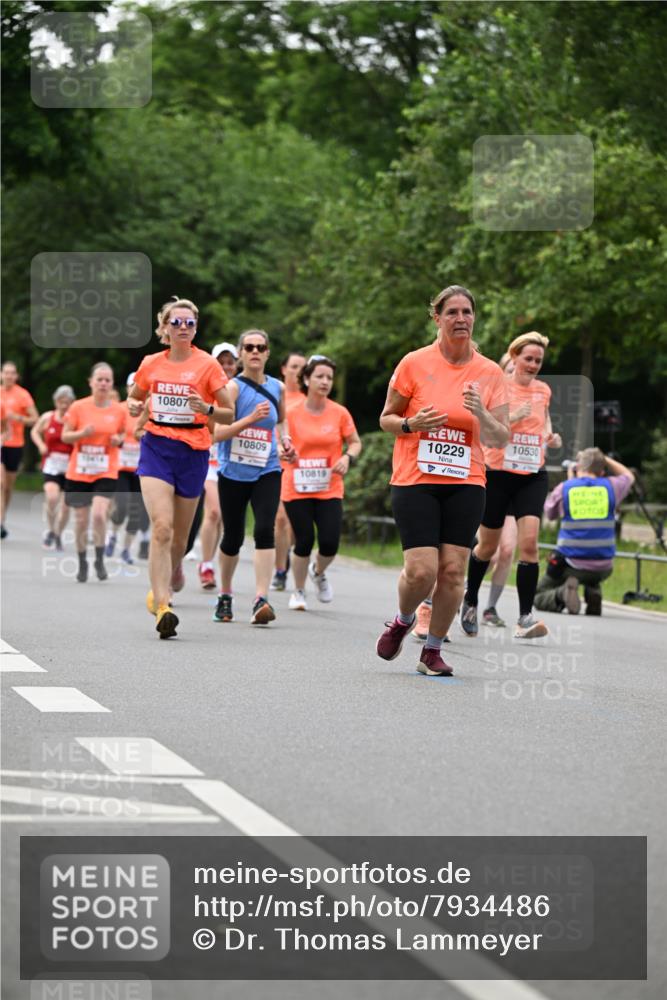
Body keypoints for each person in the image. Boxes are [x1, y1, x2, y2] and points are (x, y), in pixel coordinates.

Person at [375, 285, 509, 676]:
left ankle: (431, 651)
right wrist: (409, 423)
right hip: (415, 477)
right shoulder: (414, 363)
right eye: (452, 312)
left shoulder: (489, 372)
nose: (461, 319)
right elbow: (386, 418)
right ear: (436, 317)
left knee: (453, 571)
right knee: (422, 571)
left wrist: (482, 414)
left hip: (466, 480)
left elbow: (500, 437)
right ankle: (402, 620)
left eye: (467, 312)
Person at [128, 297, 233, 638]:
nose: (183, 327)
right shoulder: (151, 363)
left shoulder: (207, 366)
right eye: (176, 322)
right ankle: (162, 605)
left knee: (180, 538)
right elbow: (136, 395)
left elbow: (227, 412)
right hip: (157, 447)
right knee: (162, 527)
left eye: (189, 322)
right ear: (164, 328)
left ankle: (163, 582)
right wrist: (133, 404)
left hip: (194, 450)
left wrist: (207, 408)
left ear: (196, 328)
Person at [460, 331, 562, 639]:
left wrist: (550, 436)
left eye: (538, 360)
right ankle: (471, 600)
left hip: (532, 474)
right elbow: (487, 427)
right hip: (498, 472)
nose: (533, 365)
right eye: (528, 359)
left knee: (529, 544)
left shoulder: (544, 390)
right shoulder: (498, 385)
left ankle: (525, 617)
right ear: (514, 357)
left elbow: (543, 421)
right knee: (488, 546)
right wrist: (515, 417)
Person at [213, 329, 295, 625]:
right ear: (241, 353)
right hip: (233, 471)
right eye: (249, 347)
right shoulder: (232, 389)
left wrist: (285, 440)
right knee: (232, 537)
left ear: (268, 353)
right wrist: (248, 419)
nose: (255, 352)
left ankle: (261, 598)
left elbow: (282, 420)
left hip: (267, 468)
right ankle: (225, 594)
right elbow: (216, 433)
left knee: (264, 528)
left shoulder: (278, 387)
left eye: (261, 347)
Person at [281, 354, 361, 610]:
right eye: (319, 376)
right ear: (306, 379)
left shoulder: (339, 413)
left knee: (329, 542)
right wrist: (285, 452)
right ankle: (299, 591)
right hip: (297, 485)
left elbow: (356, 442)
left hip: (329, 486)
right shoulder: (291, 414)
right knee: (303, 540)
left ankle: (318, 571)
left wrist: (348, 458)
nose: (325, 381)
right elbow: (279, 445)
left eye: (329, 377)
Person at [534, 448, 635, 615]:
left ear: (578, 467)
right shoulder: (611, 486)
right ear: (602, 471)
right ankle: (593, 592)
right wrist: (604, 459)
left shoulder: (565, 488)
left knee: (538, 595)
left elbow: (550, 514)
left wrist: (570, 480)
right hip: (603, 567)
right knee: (590, 575)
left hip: (571, 564)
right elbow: (629, 476)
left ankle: (562, 594)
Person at [61, 363, 126, 582]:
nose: (103, 384)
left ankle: (98, 558)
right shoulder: (78, 407)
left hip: (105, 469)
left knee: (99, 514)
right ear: (91, 382)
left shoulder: (118, 410)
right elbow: (65, 436)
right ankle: (82, 562)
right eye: (99, 379)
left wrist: (119, 440)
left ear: (112, 384)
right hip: (79, 470)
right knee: (81, 520)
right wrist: (82, 433)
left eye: (107, 380)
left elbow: (124, 435)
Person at [195, 342, 239, 589]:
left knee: (224, 518)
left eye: (230, 362)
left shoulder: (242, 390)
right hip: (209, 459)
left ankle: (212, 561)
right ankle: (207, 564)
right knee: (214, 512)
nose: (226, 366)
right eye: (221, 362)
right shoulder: (205, 391)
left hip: (233, 462)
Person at [104, 373, 150, 564]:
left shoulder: (150, 409)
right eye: (132, 386)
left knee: (137, 511)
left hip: (143, 468)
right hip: (121, 467)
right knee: (121, 506)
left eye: (139, 386)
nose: (136, 389)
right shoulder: (119, 409)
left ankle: (126, 549)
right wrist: (116, 439)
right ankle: (113, 534)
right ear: (127, 388)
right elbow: (108, 431)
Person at [271, 350, 307, 591]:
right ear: (284, 368)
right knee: (280, 519)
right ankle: (280, 570)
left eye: (303, 368)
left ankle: (289, 555)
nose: (298, 372)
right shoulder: (275, 394)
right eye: (294, 366)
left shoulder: (309, 399)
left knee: (295, 523)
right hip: (275, 464)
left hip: (302, 467)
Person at [30, 384, 75, 551]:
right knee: (51, 498)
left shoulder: (74, 419)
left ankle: (58, 533)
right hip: (51, 464)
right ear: (55, 402)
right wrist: (41, 445)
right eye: (61, 402)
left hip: (70, 466)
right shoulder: (48, 417)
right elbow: (34, 431)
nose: (64, 406)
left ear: (72, 402)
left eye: (67, 402)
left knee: (65, 505)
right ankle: (50, 529)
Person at [0, 360, 39, 539]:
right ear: (1, 374)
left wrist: (17, 417)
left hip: (15, 444)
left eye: (12, 373)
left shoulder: (22, 395)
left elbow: (34, 418)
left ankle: (2, 518)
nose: (8, 376)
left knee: (8, 487)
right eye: (6, 372)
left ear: (16, 376)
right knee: (0, 484)